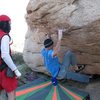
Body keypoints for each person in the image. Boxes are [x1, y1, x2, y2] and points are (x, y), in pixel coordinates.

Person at [0, 15, 21, 100]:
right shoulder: (4, 36)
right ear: (5, 24)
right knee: (11, 94)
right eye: (9, 23)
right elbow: (5, 55)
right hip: (4, 70)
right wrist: (15, 70)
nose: (10, 25)